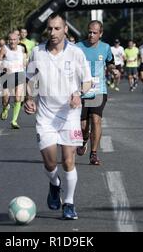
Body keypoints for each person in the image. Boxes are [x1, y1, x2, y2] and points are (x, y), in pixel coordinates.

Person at [24, 13, 92, 220]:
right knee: (50, 163)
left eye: (57, 28)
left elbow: (88, 81)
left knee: (68, 161)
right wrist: (29, 98)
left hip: (70, 114)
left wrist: (79, 93)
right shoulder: (37, 52)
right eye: (50, 28)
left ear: (65, 30)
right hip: (45, 115)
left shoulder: (76, 53)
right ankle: (55, 184)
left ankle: (69, 203)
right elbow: (30, 79)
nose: (53, 32)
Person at [76, 20, 118, 165]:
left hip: (98, 89)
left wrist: (113, 70)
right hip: (81, 90)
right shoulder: (78, 47)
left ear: (100, 34)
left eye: (94, 33)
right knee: (83, 126)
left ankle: (93, 154)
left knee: (96, 119)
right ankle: (83, 140)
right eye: (89, 32)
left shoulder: (105, 48)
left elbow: (110, 62)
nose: (91, 35)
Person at [0, 31, 27, 129]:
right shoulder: (4, 49)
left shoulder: (22, 49)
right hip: (7, 75)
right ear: (8, 40)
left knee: (18, 97)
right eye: (10, 40)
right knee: (5, 99)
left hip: (20, 74)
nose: (12, 42)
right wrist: (3, 67)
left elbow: (25, 60)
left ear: (18, 40)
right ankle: (5, 108)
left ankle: (14, 121)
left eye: (14, 40)